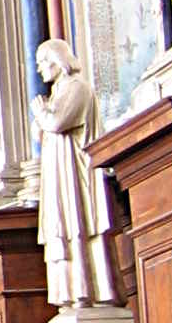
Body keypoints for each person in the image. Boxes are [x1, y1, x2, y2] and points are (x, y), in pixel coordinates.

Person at [31, 37, 116, 306]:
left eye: (43, 62)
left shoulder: (77, 88)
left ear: (58, 59)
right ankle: (72, 293)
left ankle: (89, 293)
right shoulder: (59, 91)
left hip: (75, 177)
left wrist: (41, 113)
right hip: (59, 175)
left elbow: (56, 123)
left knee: (79, 226)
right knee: (65, 229)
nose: (39, 70)